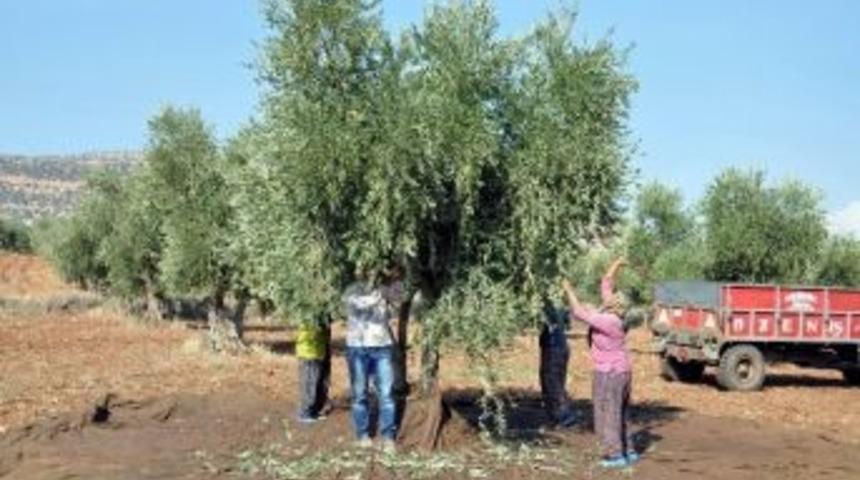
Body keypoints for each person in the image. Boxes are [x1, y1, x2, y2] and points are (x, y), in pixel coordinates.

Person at [561, 257, 639, 469]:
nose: (609, 296)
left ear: (614, 305)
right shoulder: (614, 315)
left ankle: (614, 455)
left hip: (609, 373)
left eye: (612, 298)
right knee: (621, 411)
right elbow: (606, 283)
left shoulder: (609, 321)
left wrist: (568, 290)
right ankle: (628, 450)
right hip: (622, 370)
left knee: (607, 412)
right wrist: (617, 263)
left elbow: (579, 313)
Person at [342, 269, 401, 452]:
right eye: (362, 269)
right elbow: (361, 305)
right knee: (359, 393)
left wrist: (393, 291)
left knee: (386, 393)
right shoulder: (351, 290)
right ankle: (363, 436)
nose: (367, 273)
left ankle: (388, 437)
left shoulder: (384, 289)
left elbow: (395, 308)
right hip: (357, 347)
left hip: (382, 346)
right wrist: (381, 295)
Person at [539, 300, 578, 428]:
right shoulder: (559, 304)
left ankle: (563, 416)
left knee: (552, 383)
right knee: (555, 382)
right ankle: (558, 416)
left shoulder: (548, 306)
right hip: (559, 347)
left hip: (553, 347)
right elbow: (567, 323)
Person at [295, 317, 330, 424]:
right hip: (308, 350)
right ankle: (304, 412)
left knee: (318, 380)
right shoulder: (306, 309)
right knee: (308, 380)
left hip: (319, 348)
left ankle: (315, 410)